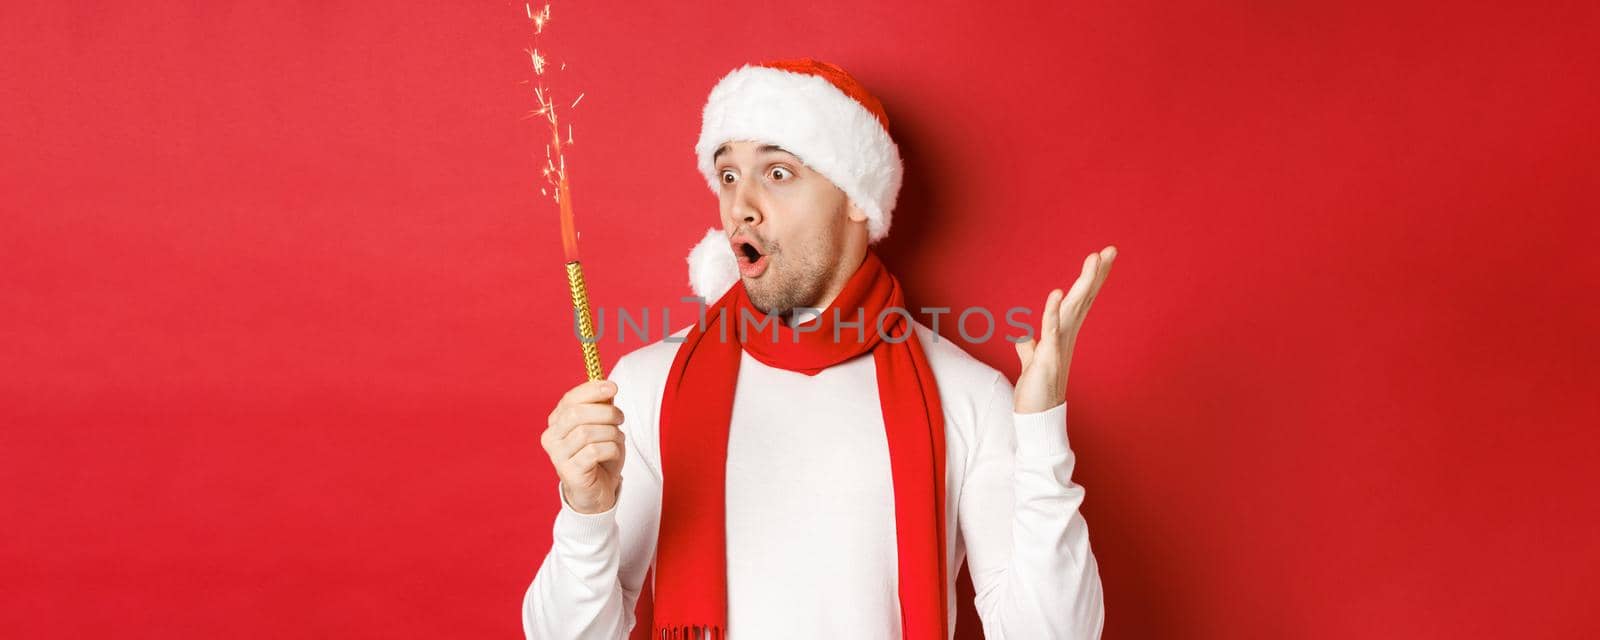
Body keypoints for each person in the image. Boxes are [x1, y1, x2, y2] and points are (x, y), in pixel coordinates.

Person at [523, 58, 1114, 640]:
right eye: (728, 175)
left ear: (858, 197)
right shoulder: (648, 387)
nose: (739, 207)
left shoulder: (967, 394)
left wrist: (1040, 434)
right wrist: (586, 513)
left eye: (777, 173)